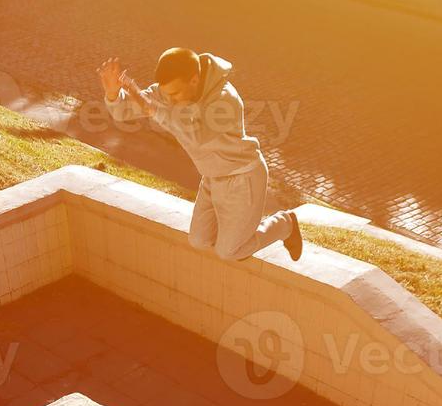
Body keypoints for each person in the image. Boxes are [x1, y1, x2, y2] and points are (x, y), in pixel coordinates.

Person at [99, 48, 302, 262]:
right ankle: (236, 231)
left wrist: (154, 110)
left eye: (175, 94)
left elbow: (198, 137)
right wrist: (113, 93)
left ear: (194, 80)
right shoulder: (171, 90)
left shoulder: (225, 100)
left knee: (230, 252)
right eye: (166, 94)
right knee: (199, 241)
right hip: (212, 178)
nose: (170, 99)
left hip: (243, 178)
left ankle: (286, 223)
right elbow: (124, 110)